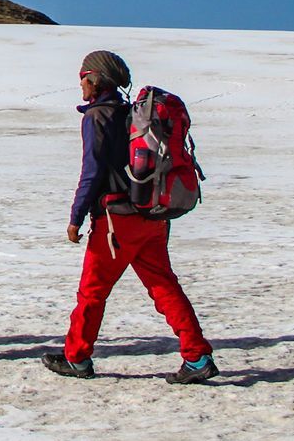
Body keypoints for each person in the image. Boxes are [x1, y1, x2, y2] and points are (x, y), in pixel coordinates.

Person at [43, 50, 218, 384]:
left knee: (92, 292)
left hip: (117, 221)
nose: (79, 83)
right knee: (164, 286)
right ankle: (197, 356)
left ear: (94, 79)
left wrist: (76, 216)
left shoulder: (97, 117)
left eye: (82, 76)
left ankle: (77, 358)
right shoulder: (133, 115)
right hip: (151, 218)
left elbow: (92, 171)